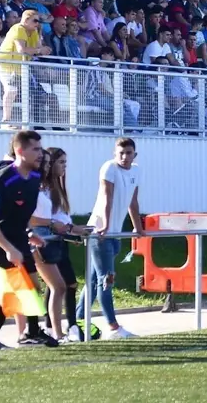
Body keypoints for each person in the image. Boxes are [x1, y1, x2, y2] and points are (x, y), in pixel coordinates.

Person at [0, 130, 58, 363]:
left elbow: (21, 214)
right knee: (10, 296)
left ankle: (32, 332)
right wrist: (7, 248)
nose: (41, 154)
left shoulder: (34, 178)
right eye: (35, 149)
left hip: (19, 240)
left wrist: (29, 234)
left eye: (41, 149)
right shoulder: (4, 178)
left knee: (32, 287)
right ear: (20, 151)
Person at [76, 137, 144, 339]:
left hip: (115, 234)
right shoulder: (109, 168)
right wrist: (104, 225)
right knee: (107, 279)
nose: (124, 157)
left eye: (129, 153)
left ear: (135, 154)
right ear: (115, 154)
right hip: (101, 233)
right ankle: (113, 327)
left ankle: (77, 322)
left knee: (94, 281)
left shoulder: (136, 171)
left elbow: (133, 201)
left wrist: (137, 227)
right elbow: (107, 197)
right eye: (121, 153)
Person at [33, 147, 97, 342]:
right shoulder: (42, 187)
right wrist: (70, 229)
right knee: (60, 285)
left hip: (59, 239)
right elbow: (47, 219)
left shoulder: (56, 187)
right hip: (46, 240)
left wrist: (71, 232)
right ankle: (58, 327)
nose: (64, 167)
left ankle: (64, 326)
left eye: (65, 163)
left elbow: (60, 217)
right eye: (60, 162)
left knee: (65, 285)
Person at [0, 10, 51, 127]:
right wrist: (39, 50)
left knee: (35, 91)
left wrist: (45, 49)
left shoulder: (34, 32)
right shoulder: (18, 28)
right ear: (26, 20)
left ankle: (35, 123)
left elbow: (38, 49)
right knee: (11, 89)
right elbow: (22, 49)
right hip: (4, 63)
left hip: (19, 66)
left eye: (38, 21)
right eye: (35, 20)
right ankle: (6, 121)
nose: (37, 23)